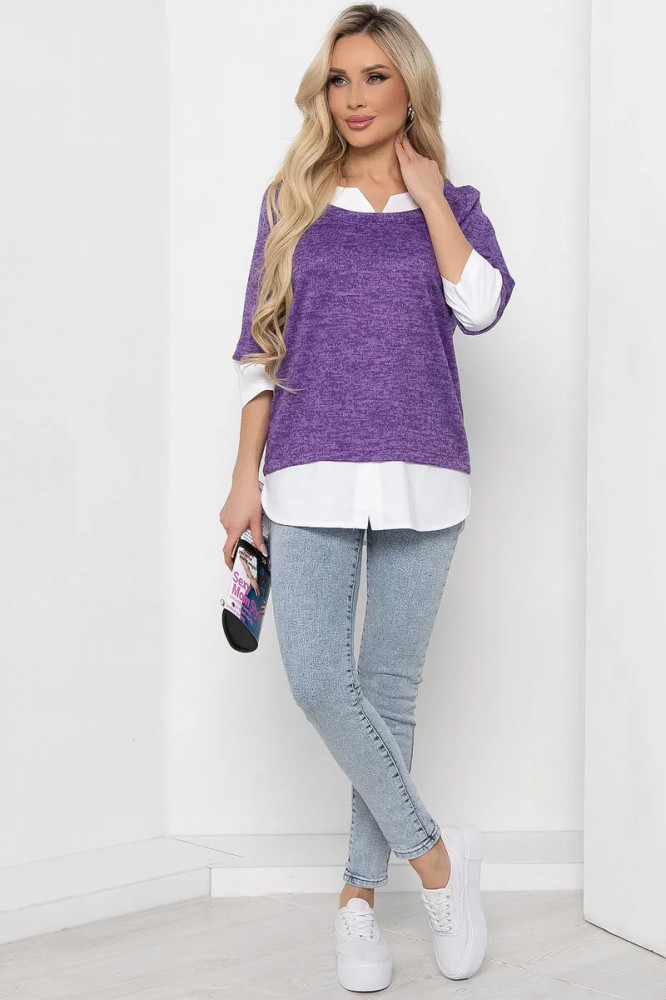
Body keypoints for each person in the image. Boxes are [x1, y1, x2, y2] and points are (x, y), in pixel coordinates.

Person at [219, 3, 515, 990]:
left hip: (426, 472)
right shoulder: (291, 201)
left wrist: (429, 196)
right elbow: (260, 348)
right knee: (319, 681)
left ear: (410, 88)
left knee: (386, 694)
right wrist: (242, 482)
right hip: (307, 469)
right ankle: (438, 862)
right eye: (339, 78)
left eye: (374, 77)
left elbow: (482, 306)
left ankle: (357, 898)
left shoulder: (455, 204)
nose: (352, 97)